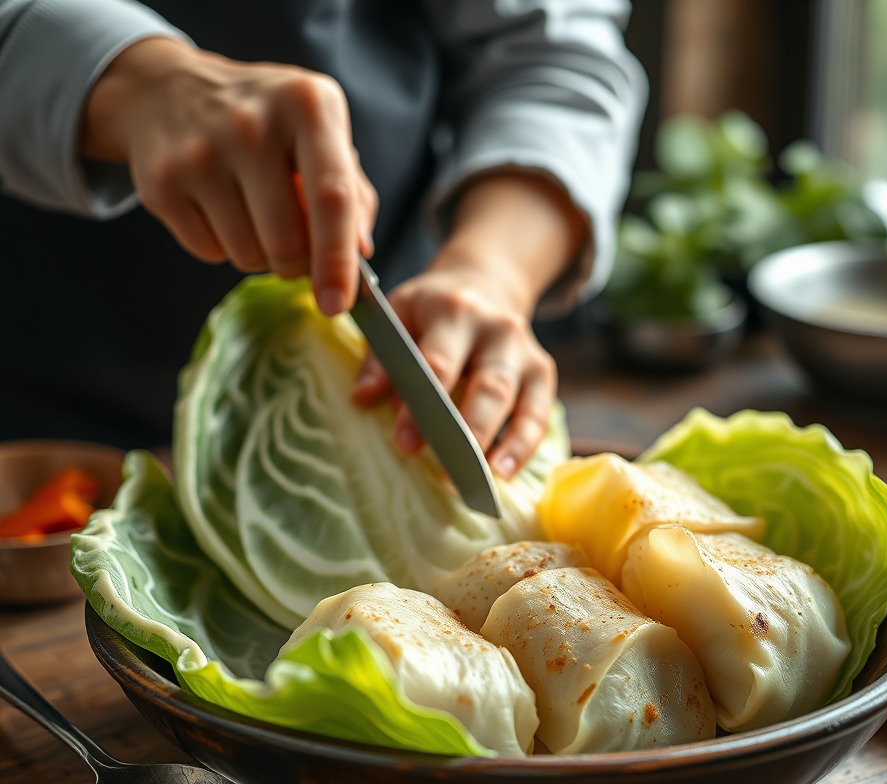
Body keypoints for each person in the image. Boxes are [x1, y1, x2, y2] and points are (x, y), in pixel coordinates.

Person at [0, 1, 646, 478]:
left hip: (371, 406)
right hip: (38, 432)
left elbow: (551, 55)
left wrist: (490, 271)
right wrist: (126, 81)